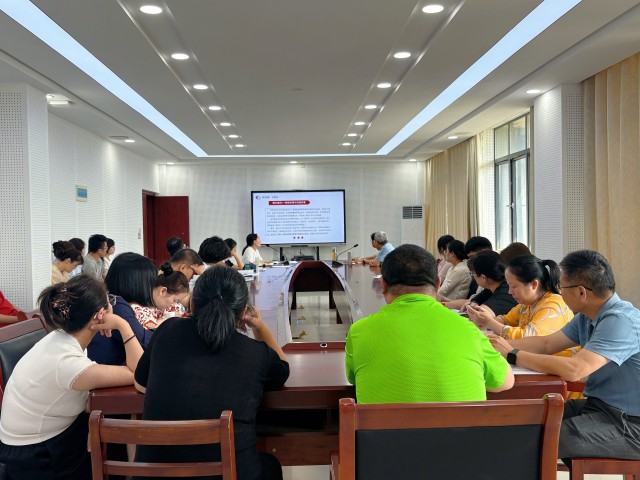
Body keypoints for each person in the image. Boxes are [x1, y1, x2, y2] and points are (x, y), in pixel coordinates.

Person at [134, 266, 290, 480]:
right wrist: (259, 325)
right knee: (270, 465)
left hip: (155, 476)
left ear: (193, 303)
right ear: (242, 311)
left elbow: (140, 382)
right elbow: (282, 367)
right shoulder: (256, 353)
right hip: (230, 474)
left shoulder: (168, 330)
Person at [488, 250, 640, 462]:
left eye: (562, 287)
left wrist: (513, 354)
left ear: (581, 292)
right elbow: (547, 344)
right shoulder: (587, 316)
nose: (559, 292)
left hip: (629, 424)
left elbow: (576, 369)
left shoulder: (620, 321)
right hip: (599, 407)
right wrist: (498, 346)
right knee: (523, 421)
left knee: (531, 442)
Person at [0, 275, 143, 479]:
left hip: (34, 438)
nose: (113, 305)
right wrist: (123, 326)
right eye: (109, 301)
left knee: (115, 424)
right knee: (116, 437)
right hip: (37, 456)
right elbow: (139, 374)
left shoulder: (61, 338)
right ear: (100, 315)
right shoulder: (68, 362)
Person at [345, 244, 513, 404]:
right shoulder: (469, 330)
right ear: (437, 284)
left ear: (383, 285)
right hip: (460, 426)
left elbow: (353, 378)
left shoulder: (360, 331)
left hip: (383, 426)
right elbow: (505, 382)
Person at [467, 255, 576, 356]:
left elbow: (527, 338)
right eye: (508, 286)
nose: (509, 292)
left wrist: (489, 322)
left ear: (534, 284)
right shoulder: (527, 304)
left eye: (513, 286)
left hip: (557, 363)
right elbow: (505, 320)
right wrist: (483, 321)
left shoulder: (553, 305)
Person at [87, 253, 158, 365]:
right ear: (138, 284)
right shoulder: (117, 306)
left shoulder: (110, 301)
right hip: (105, 372)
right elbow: (147, 343)